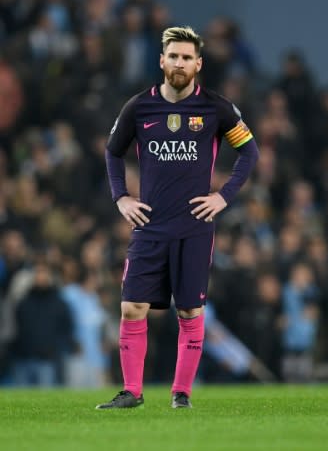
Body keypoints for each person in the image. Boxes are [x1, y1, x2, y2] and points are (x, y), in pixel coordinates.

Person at [98, 26, 259, 409]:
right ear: (162, 60)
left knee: (190, 310)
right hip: (149, 225)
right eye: (174, 56)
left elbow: (249, 152)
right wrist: (121, 197)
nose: (180, 63)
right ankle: (132, 392)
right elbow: (112, 152)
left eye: (187, 57)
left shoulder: (216, 107)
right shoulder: (139, 107)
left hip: (194, 228)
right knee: (131, 307)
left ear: (198, 64)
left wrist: (223, 196)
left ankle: (181, 394)